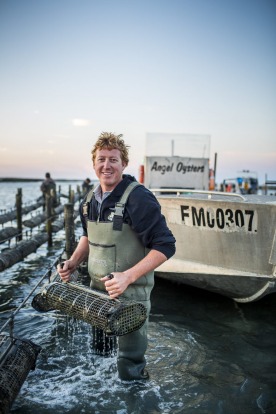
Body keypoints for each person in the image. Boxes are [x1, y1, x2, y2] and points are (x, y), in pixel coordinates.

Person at [57, 132, 176, 381]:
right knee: (100, 356)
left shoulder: (138, 197)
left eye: (113, 159)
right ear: (93, 163)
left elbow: (166, 245)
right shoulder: (90, 199)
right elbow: (88, 237)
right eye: (101, 159)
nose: (106, 165)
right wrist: (73, 262)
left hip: (131, 299)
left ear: (124, 164)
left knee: (128, 367)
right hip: (97, 295)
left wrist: (127, 277)